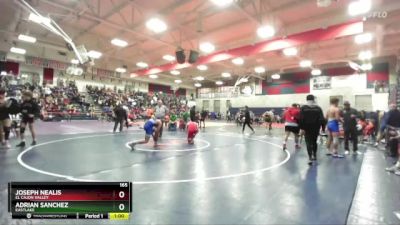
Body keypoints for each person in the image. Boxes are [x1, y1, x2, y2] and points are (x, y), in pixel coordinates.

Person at [298, 95, 325, 165]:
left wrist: (301, 128)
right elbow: (322, 119)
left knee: (308, 142)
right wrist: (323, 128)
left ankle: (310, 157)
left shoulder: (303, 108)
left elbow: (300, 119)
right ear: (313, 99)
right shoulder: (318, 108)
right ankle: (315, 155)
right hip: (316, 127)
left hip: (306, 128)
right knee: (314, 142)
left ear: (306, 99)